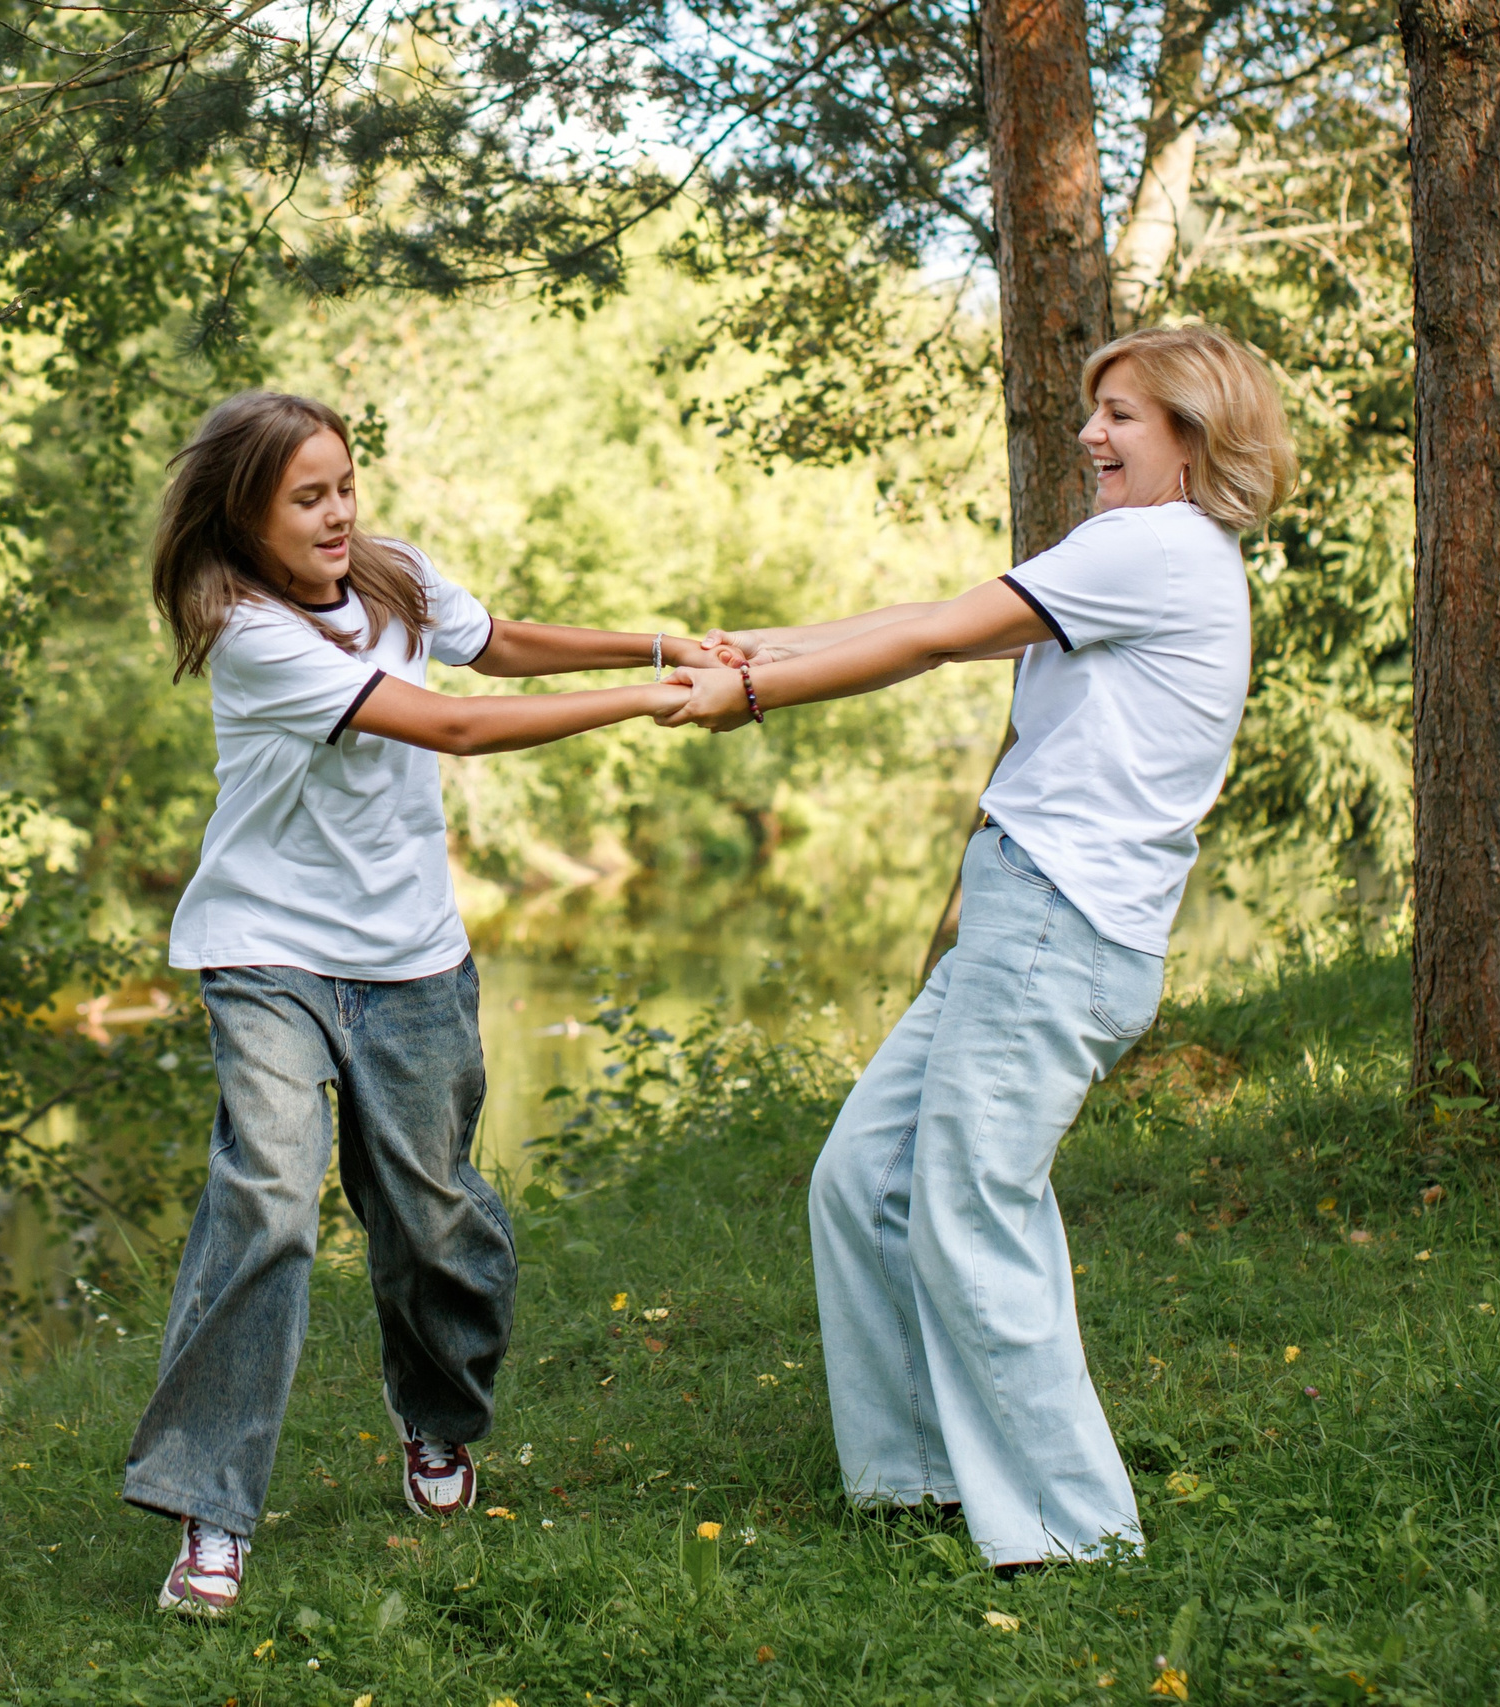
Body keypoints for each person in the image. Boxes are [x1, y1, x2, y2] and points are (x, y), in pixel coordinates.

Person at [673, 324, 1296, 1572]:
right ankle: (917, 1482)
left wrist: (749, 699)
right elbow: (942, 613)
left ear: (1192, 434)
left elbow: (937, 640)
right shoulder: (1155, 554)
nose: (1090, 433)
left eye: (1120, 413)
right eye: (1093, 410)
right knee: (866, 1184)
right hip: (1024, 915)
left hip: (1054, 927)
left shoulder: (1155, 547)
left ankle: (1076, 1533)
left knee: (970, 1208)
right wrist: (767, 646)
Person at [125, 390, 705, 1618]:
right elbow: (449, 723)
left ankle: (436, 1423)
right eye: (308, 497)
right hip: (268, 950)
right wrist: (646, 705)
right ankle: (210, 1515)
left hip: (411, 957)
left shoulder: (391, 579)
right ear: (247, 511)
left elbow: (498, 647)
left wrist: (655, 646)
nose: (339, 514)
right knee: (270, 1202)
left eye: (344, 485)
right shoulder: (244, 625)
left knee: (434, 1215)